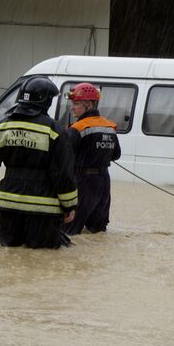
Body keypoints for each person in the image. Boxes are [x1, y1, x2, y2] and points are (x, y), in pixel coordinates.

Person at [0, 76, 78, 248]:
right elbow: (64, 173)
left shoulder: (3, 126)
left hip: (7, 206)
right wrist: (70, 206)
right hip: (43, 211)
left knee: (8, 258)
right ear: (45, 102)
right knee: (41, 262)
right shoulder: (54, 130)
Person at [65, 82, 121, 235]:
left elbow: (64, 158)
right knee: (97, 231)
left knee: (70, 231)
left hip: (83, 181)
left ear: (89, 104)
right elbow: (116, 155)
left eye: (75, 103)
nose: (72, 107)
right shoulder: (110, 127)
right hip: (103, 182)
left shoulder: (77, 129)